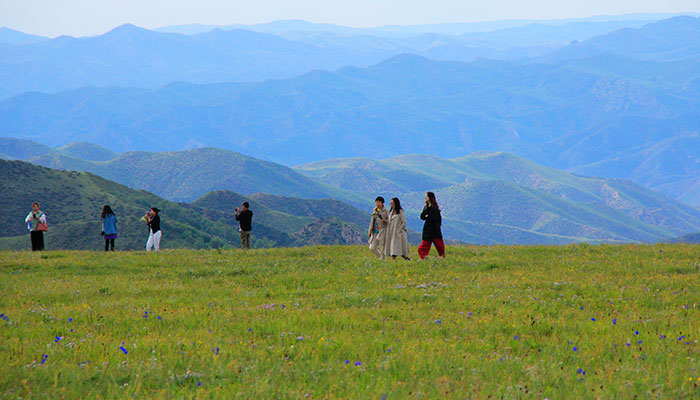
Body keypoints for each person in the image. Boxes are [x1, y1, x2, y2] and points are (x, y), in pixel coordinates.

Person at [418, 192, 445, 259]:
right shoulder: (426, 207)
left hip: (434, 230)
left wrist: (427, 216)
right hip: (427, 230)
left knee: (439, 246)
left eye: (426, 196)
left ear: (430, 198)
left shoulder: (434, 208)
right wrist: (427, 216)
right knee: (423, 247)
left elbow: (434, 218)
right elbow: (422, 216)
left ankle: (441, 257)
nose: (425, 198)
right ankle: (424, 257)